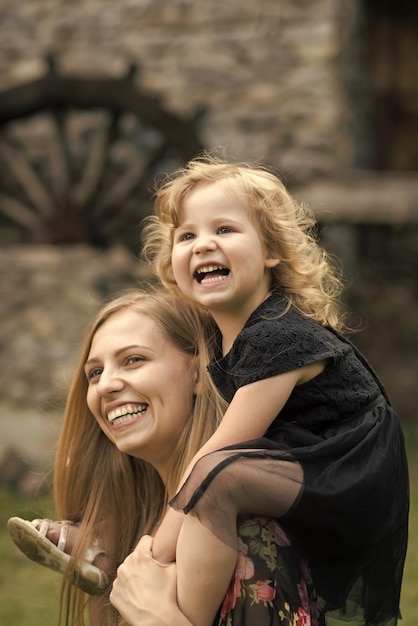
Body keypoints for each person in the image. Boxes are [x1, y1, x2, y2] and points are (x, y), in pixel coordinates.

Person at [127, 154, 409, 626]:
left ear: (271, 252)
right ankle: (109, 549)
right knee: (210, 474)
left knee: (218, 476)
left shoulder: (279, 335)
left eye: (225, 230)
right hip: (305, 460)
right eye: (187, 235)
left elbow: (220, 450)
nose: (203, 245)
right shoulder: (222, 337)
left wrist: (155, 554)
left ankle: (168, 610)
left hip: (348, 471)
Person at [8, 288, 321, 626]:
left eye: (133, 359)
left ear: (199, 374)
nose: (106, 385)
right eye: (94, 372)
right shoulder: (136, 541)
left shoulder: (248, 531)